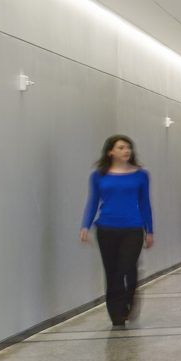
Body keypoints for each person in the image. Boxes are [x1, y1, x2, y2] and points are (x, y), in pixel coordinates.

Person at [79, 134, 154, 330]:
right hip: (106, 228)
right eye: (121, 147)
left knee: (127, 268)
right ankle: (116, 315)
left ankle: (128, 302)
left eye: (128, 147)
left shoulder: (141, 175)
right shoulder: (98, 175)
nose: (126, 151)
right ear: (111, 151)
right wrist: (85, 225)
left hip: (133, 228)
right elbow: (93, 201)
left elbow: (145, 203)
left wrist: (150, 230)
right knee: (112, 272)